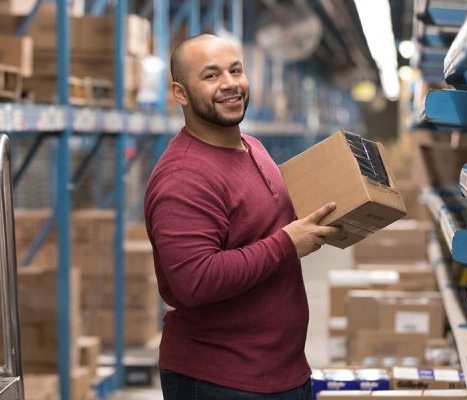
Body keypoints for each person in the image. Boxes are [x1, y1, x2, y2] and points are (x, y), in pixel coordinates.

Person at [144, 34, 343, 400]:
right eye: (211, 76)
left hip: (281, 371)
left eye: (235, 70)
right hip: (220, 380)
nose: (230, 84)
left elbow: (268, 229)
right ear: (180, 93)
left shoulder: (254, 147)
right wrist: (286, 244)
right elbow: (195, 280)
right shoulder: (184, 177)